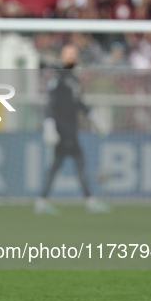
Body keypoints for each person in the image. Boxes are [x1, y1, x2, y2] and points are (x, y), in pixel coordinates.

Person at [34, 44, 111, 215]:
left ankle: (42, 201)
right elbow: (51, 103)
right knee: (78, 163)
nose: (72, 57)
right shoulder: (60, 77)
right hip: (64, 130)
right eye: (69, 54)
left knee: (58, 166)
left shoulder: (73, 79)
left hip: (70, 129)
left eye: (74, 54)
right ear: (63, 57)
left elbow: (78, 103)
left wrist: (94, 118)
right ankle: (90, 201)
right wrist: (49, 124)